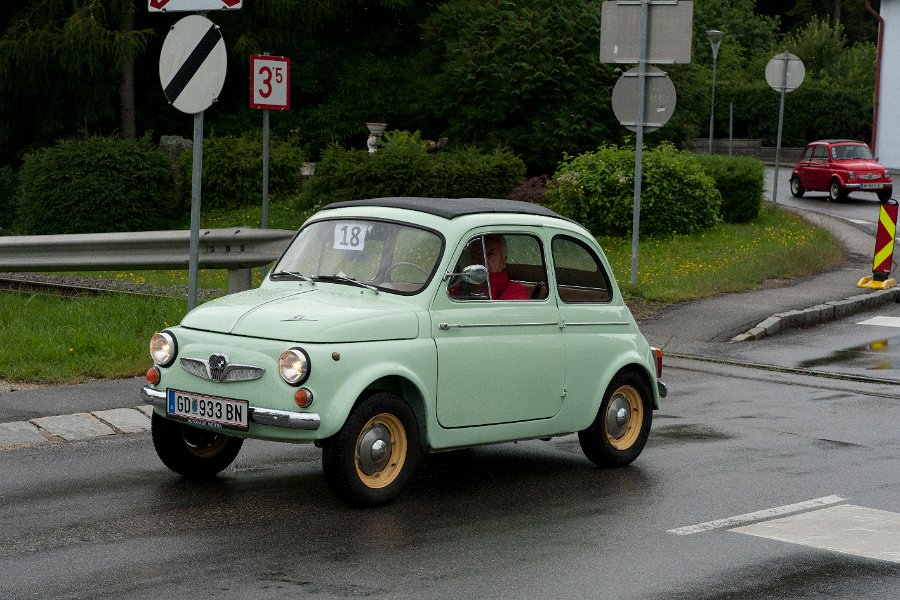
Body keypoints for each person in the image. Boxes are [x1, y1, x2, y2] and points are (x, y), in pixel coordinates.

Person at [483, 235, 529, 300]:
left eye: (490, 254)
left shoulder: (516, 290)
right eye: (480, 254)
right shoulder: (466, 286)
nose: (483, 259)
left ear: (503, 261)